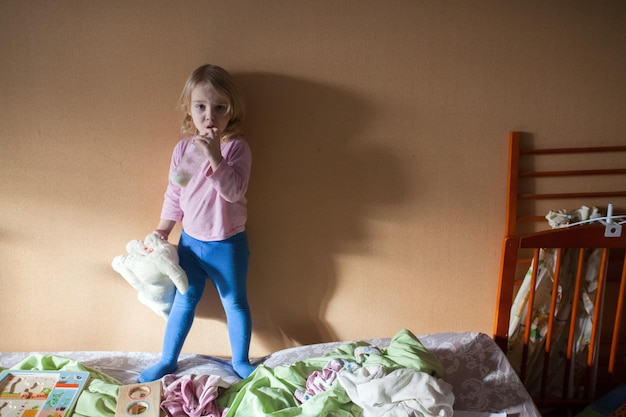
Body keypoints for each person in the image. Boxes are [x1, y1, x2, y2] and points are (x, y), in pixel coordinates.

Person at [138, 64, 255, 382]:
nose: (210, 115)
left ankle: (241, 361)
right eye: (201, 106)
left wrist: (215, 155)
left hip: (227, 244)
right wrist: (164, 228)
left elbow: (233, 191)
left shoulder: (236, 148)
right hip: (191, 243)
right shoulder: (184, 150)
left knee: (235, 301)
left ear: (232, 111)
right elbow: (175, 192)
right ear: (189, 109)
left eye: (220, 108)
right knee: (184, 300)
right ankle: (167, 359)